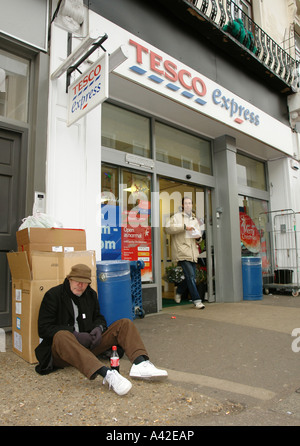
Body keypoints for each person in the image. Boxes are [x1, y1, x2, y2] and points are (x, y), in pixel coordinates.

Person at [35, 264, 168, 396]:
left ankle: (140, 363)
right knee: (62, 335)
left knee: (124, 323)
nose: (80, 285)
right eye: (77, 281)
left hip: (88, 345)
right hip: (63, 351)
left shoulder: (90, 294)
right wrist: (74, 334)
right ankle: (107, 374)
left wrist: (98, 328)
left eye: (84, 283)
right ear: (69, 279)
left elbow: (99, 317)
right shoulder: (53, 295)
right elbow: (43, 328)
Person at [165, 196, 205, 309]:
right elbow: (167, 229)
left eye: (190, 203)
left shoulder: (194, 219)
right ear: (182, 205)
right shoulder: (176, 217)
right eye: (186, 203)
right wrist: (184, 227)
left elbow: (198, 237)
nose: (188, 205)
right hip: (181, 251)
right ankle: (197, 301)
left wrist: (198, 238)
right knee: (191, 275)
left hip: (192, 252)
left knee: (191, 276)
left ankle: (179, 290)